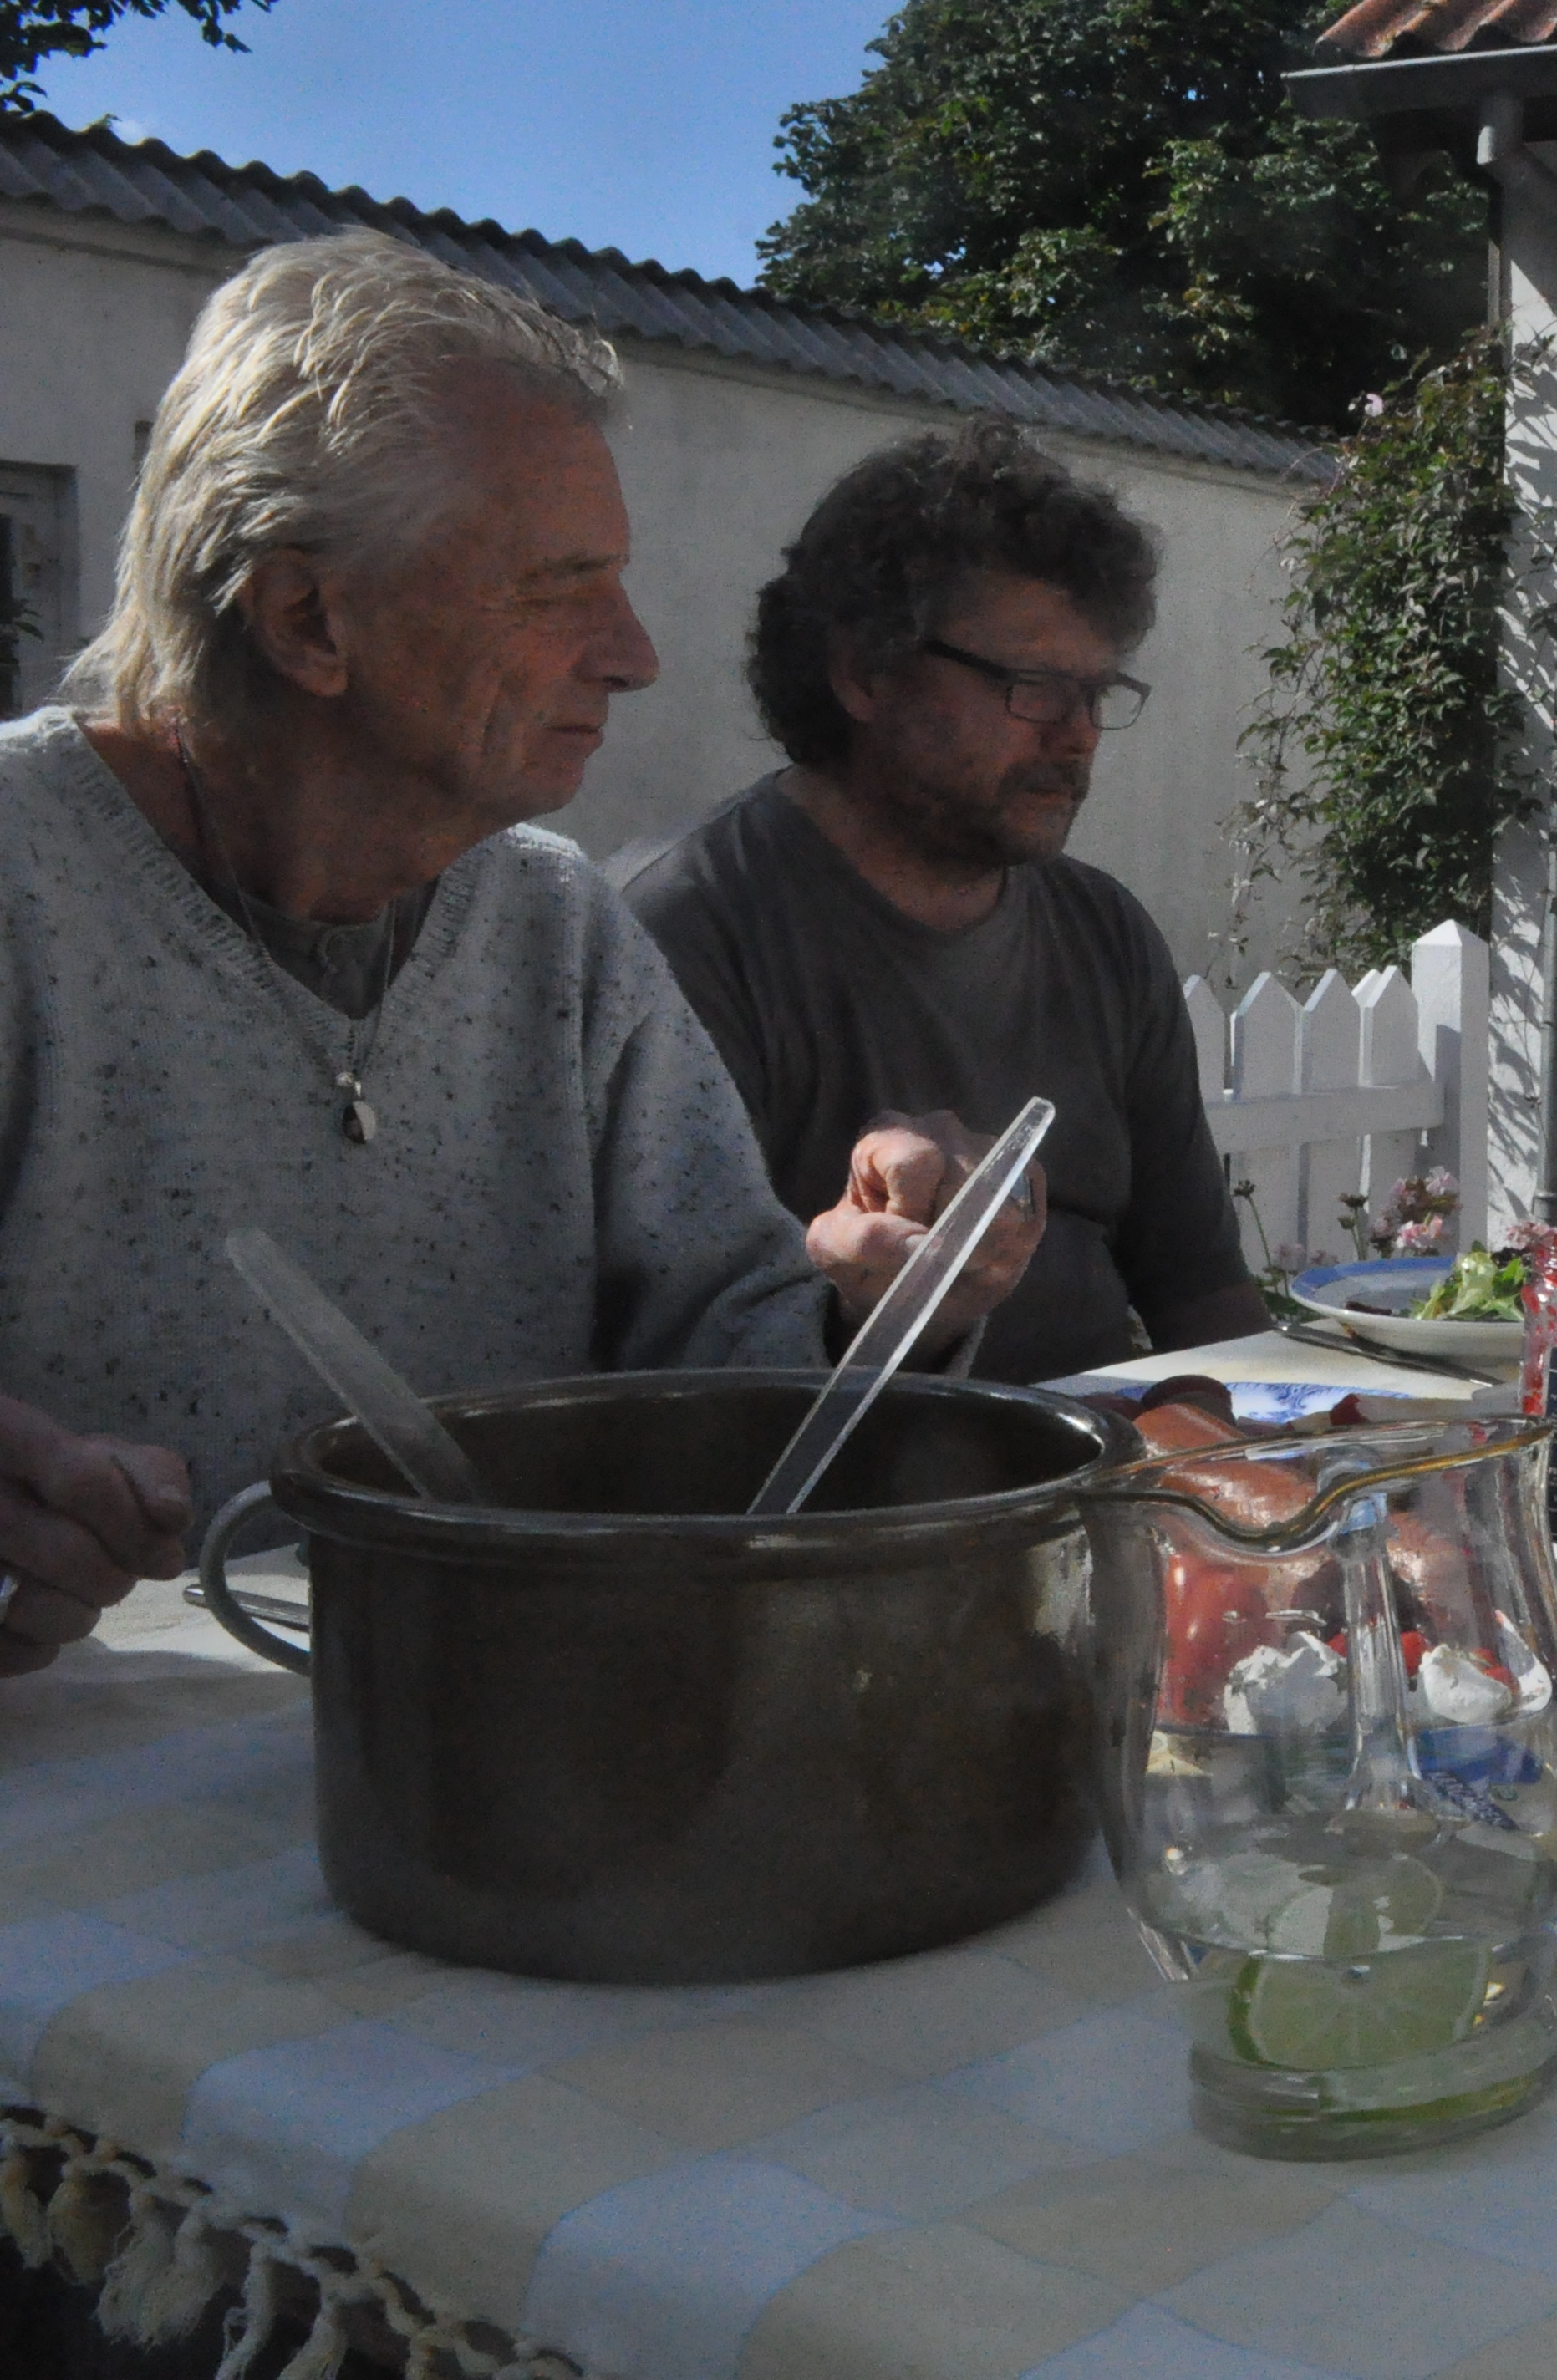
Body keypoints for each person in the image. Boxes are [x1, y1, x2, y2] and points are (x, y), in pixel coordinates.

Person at [0, 231, 1036, 1681]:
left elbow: (732, 1381)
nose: (632, 653)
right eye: (557, 588)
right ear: (307, 617)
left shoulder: (551, 925)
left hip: (505, 1755)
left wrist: (883, 1301)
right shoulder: (24, 885)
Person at [622, 424, 1265, 1384]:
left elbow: (1202, 1296)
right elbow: (667, 1379)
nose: (1079, 735)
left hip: (1109, 1467)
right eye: (1033, 687)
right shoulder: (683, 933)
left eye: (1097, 691)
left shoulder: (1105, 933)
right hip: (833, 1476)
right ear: (865, 673)